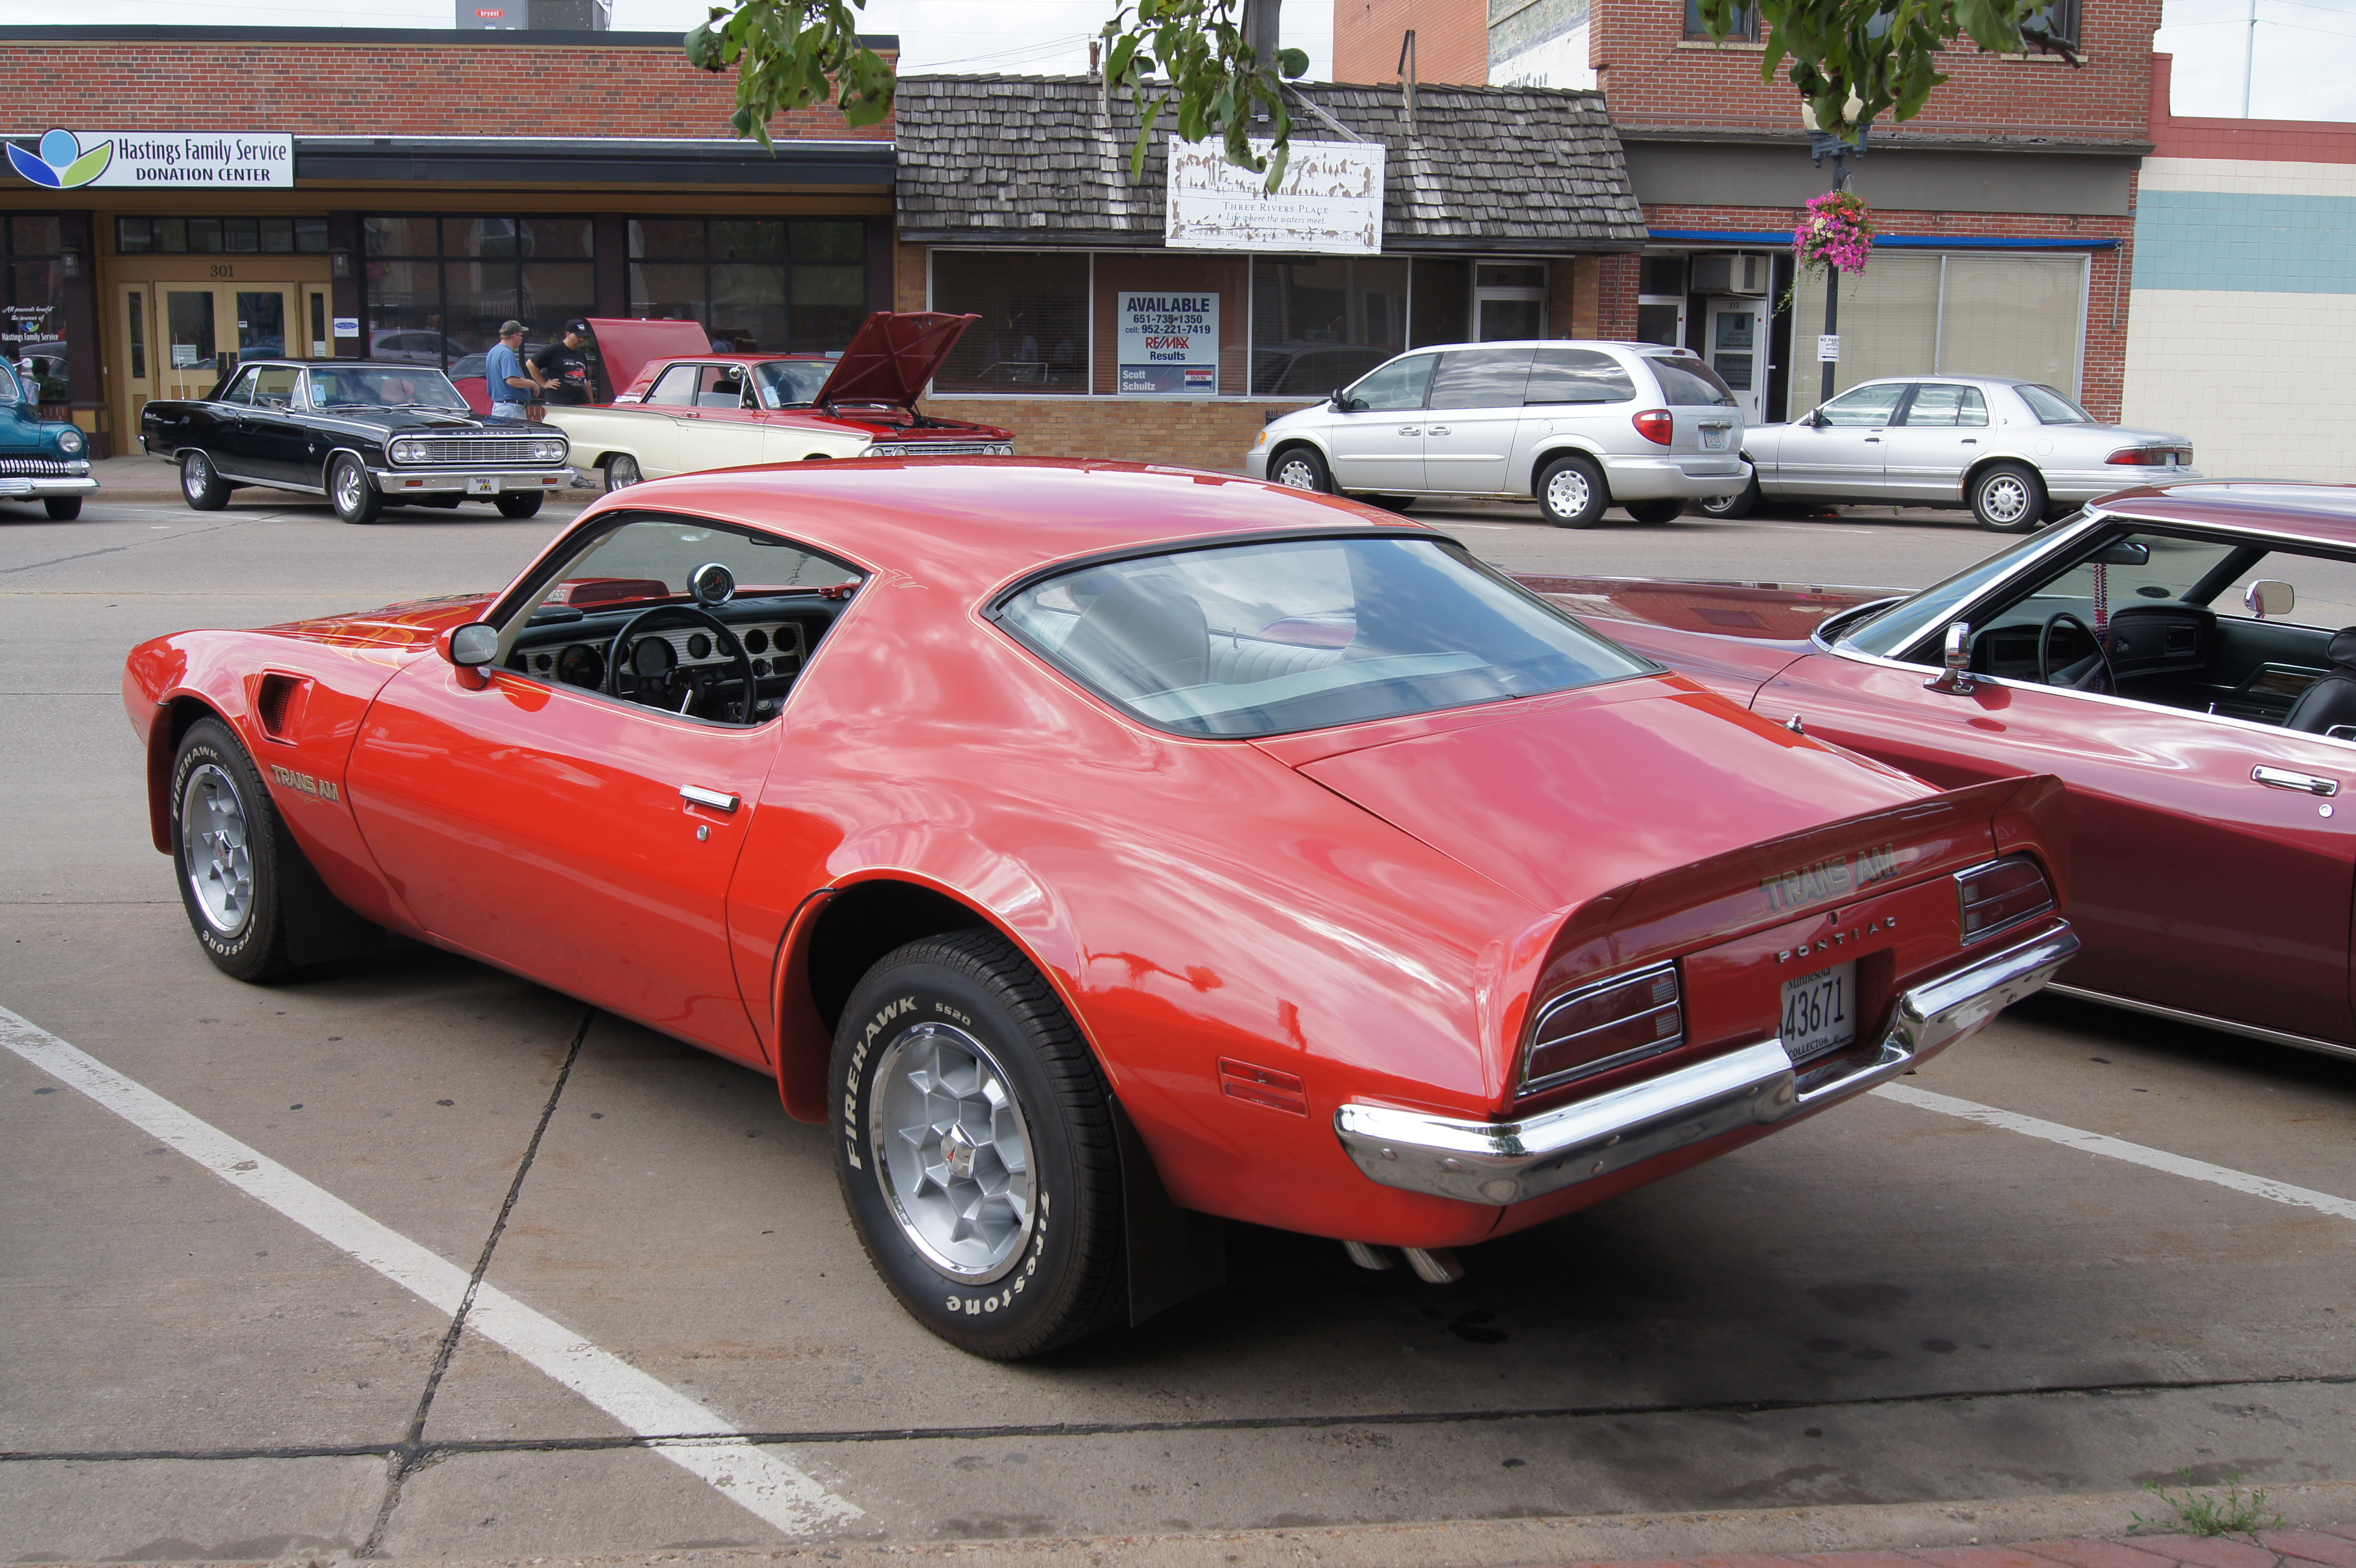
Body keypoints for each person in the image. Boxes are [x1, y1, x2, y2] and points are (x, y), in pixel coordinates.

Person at [484, 320, 545, 420]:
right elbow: (512, 380)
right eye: (521, 335)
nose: (522, 338)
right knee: (517, 436)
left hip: (500, 408)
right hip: (511, 409)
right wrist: (533, 384)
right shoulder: (506, 353)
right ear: (515, 336)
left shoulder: (494, 351)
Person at [531, 319, 596, 406]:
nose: (581, 339)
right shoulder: (555, 350)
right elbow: (531, 364)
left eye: (583, 336)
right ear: (568, 334)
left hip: (578, 405)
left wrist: (592, 404)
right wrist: (544, 384)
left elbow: (587, 381)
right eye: (578, 336)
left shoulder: (580, 354)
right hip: (558, 404)